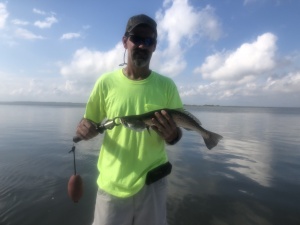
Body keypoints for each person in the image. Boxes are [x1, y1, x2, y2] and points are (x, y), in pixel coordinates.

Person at [76, 14, 183, 225]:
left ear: (155, 46)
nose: (142, 45)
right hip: (112, 185)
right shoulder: (105, 83)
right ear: (125, 41)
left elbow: (177, 134)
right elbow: (89, 123)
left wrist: (172, 136)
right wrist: (84, 129)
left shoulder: (167, 86)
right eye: (137, 38)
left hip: (153, 182)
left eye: (149, 40)